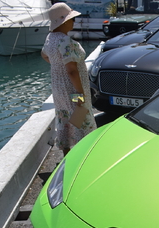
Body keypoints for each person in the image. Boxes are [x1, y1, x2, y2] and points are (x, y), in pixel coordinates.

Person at [41, 3, 96, 156]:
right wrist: (80, 93)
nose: (74, 22)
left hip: (58, 87)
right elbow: (72, 71)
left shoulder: (50, 38)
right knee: (80, 118)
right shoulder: (65, 41)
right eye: (72, 19)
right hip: (72, 88)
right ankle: (82, 155)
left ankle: (67, 154)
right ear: (63, 21)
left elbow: (44, 55)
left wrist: (57, 66)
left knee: (64, 118)